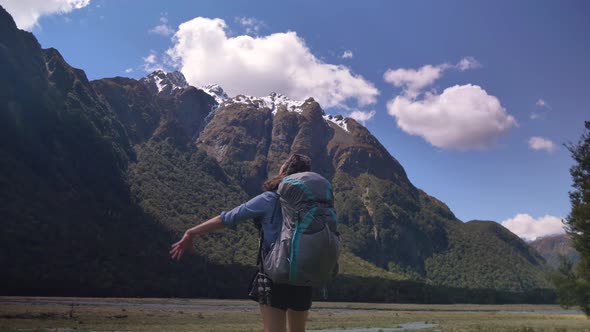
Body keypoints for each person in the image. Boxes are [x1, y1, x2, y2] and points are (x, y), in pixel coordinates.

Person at [170, 154, 314, 332]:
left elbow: (228, 218)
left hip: (273, 277)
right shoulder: (313, 205)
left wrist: (191, 232)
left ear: (284, 170)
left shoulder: (270, 199)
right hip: (303, 277)